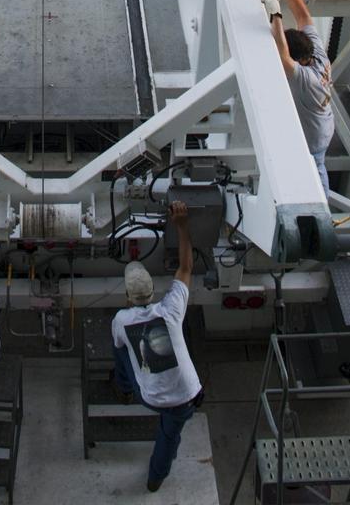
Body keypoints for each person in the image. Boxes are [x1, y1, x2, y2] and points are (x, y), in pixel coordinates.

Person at [112, 201, 203, 493]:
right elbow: (186, 267)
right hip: (186, 396)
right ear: (153, 291)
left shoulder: (122, 320)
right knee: (169, 437)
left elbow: (121, 344)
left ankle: (124, 389)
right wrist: (182, 225)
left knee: (121, 349)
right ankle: (155, 478)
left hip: (150, 397)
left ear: (128, 296)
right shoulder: (172, 308)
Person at [264, 0, 334, 195]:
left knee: (317, 180)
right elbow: (303, 16)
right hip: (322, 127)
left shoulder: (307, 80)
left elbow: (283, 56)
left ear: (300, 60)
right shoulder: (317, 52)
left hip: (314, 142)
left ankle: (324, 216)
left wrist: (276, 17)